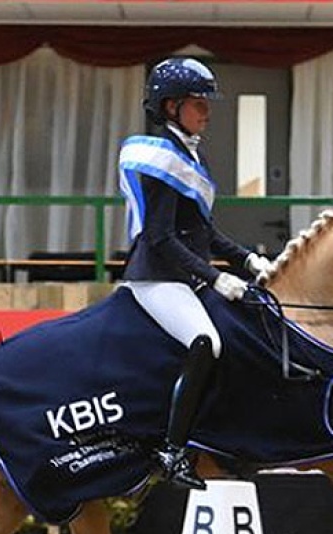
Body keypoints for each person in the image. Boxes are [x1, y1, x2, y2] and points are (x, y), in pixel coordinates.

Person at [117, 57, 271, 490]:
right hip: (157, 278)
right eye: (197, 103)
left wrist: (245, 259)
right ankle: (173, 448)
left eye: (206, 103)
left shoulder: (188, 155)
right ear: (170, 107)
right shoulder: (159, 158)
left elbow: (202, 232)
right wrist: (214, 278)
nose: (206, 112)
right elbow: (162, 238)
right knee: (206, 342)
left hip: (182, 277)